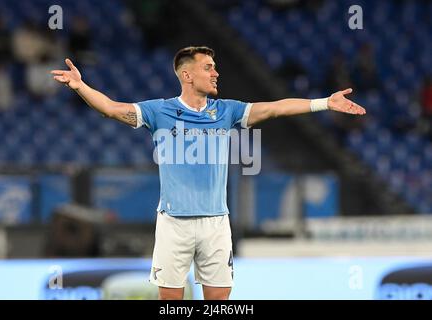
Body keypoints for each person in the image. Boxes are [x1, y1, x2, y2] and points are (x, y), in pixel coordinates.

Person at [51, 46, 365, 300]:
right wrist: (80, 86)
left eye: (215, 67)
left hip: (216, 222)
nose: (215, 73)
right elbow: (111, 108)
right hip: (173, 223)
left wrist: (324, 102)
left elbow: (274, 107)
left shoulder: (226, 110)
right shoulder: (159, 110)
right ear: (187, 75)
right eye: (208, 67)